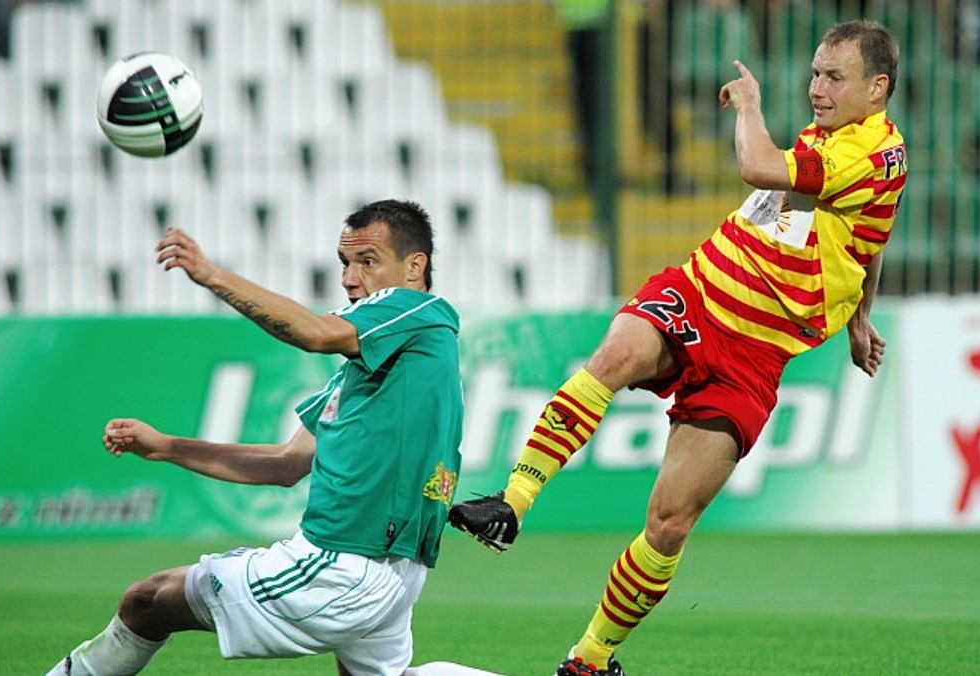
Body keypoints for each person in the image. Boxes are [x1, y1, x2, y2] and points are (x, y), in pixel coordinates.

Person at [449, 19, 906, 675]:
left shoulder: (867, 151)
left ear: (877, 87)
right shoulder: (841, 141)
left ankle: (591, 658)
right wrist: (862, 315)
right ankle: (512, 503)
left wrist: (749, 107)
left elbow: (757, 165)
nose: (816, 89)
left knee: (668, 523)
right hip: (698, 293)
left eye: (834, 77)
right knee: (612, 358)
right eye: (814, 73)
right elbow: (870, 239)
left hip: (751, 357)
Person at [44, 200, 497, 676]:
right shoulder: (365, 373)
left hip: (339, 566)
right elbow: (285, 462)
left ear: (414, 267)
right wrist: (165, 447)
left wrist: (210, 274)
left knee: (147, 601)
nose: (349, 278)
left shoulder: (417, 309)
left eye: (367, 261)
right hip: (389, 573)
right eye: (345, 263)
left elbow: (317, 333)